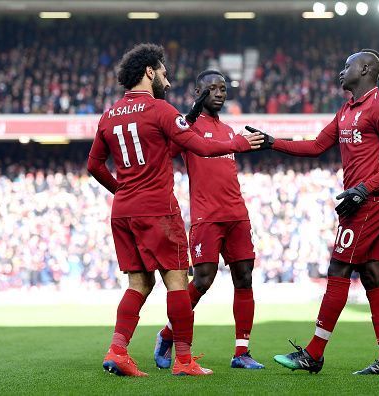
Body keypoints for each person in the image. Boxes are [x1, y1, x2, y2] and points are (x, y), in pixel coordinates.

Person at [87, 43, 263, 377]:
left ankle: (117, 351)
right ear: (150, 72)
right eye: (164, 74)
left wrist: (121, 190)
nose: (167, 82)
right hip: (157, 208)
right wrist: (239, 143)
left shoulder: (109, 115)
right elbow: (199, 145)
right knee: (179, 281)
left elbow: (94, 164)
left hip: (123, 210)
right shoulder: (161, 111)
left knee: (138, 285)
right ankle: (183, 360)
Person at [260, 49, 379, 375]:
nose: (342, 71)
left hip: (371, 202)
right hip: (357, 202)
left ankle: (313, 354)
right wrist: (273, 143)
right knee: (371, 276)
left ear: (366, 69)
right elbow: (315, 146)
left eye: (348, 66)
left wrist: (365, 188)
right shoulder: (345, 110)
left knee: (338, 269)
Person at [154, 70, 265, 370]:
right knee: (202, 281)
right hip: (207, 217)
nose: (219, 93)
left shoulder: (230, 131)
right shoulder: (187, 128)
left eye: (223, 88)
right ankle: (167, 333)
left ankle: (241, 352)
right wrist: (188, 117)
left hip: (237, 215)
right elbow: (170, 150)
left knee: (245, 277)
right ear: (197, 91)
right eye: (212, 88)